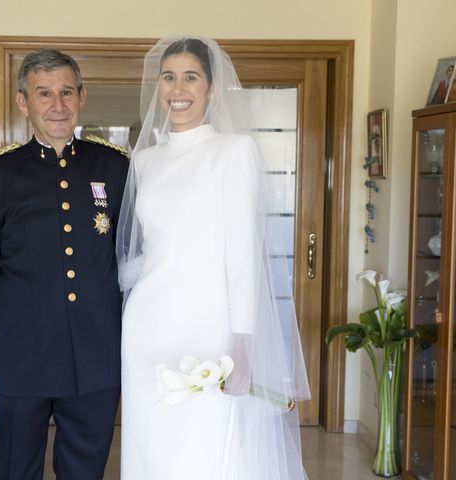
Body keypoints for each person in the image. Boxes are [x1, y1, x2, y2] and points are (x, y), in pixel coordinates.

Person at [117, 36, 311, 479]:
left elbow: (242, 253)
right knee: (152, 445)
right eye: (168, 77)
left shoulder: (234, 151)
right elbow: (143, 250)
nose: (178, 88)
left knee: (207, 446)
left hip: (210, 329)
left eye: (191, 77)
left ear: (212, 87)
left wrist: (242, 343)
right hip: (148, 327)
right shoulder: (144, 161)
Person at [0, 48, 128, 479]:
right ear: (24, 103)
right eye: (45, 94)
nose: (58, 105)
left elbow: (132, 258)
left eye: (67, 92)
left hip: (96, 357)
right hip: (20, 358)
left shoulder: (115, 167)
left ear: (82, 97)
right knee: (14, 469)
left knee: (85, 471)